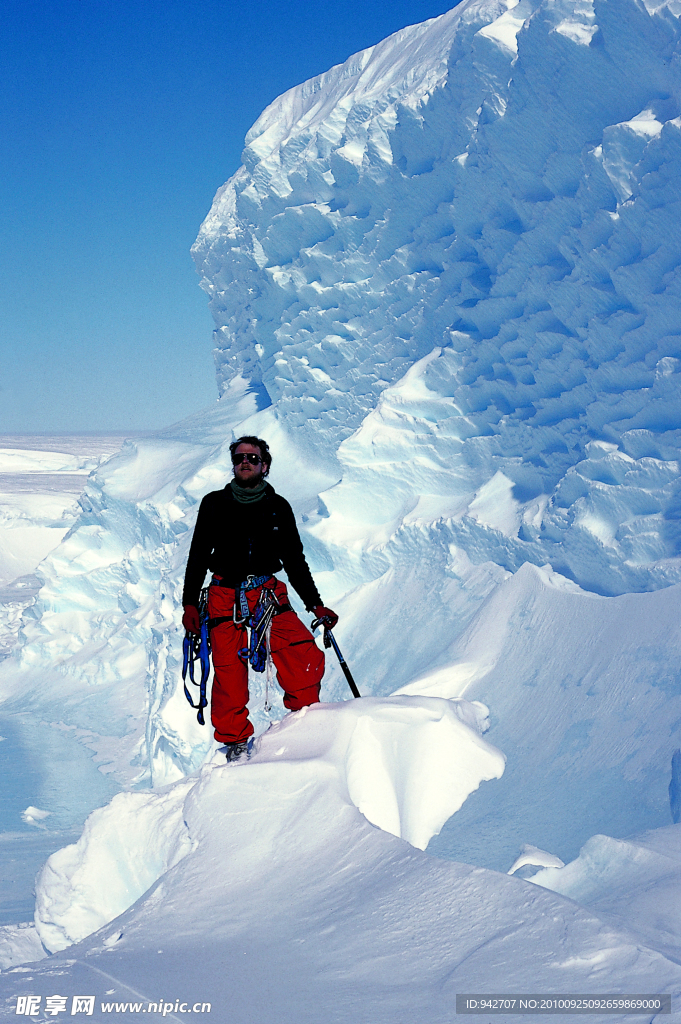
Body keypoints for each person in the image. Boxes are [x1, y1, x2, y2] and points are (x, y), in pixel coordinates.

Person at [182, 435, 338, 760]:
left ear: (264, 466)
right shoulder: (214, 503)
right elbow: (198, 555)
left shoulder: (278, 507)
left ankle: (304, 723)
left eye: (252, 458)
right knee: (229, 674)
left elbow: (294, 559)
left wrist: (315, 604)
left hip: (267, 592)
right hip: (224, 594)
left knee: (302, 654)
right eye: (239, 457)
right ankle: (235, 744)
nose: (245, 462)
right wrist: (188, 604)